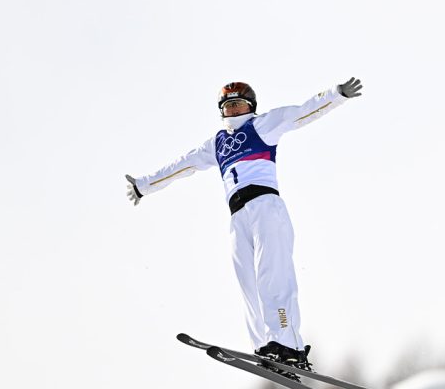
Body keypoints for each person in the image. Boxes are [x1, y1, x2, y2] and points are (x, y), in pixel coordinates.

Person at [125, 78, 363, 373]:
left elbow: (301, 113)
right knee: (247, 282)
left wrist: (335, 95)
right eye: (228, 106)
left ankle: (288, 345)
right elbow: (181, 165)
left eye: (238, 104)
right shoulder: (216, 143)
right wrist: (144, 185)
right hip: (238, 217)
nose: (234, 109)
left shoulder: (262, 125)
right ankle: (265, 347)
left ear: (250, 106)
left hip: (266, 207)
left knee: (273, 277)